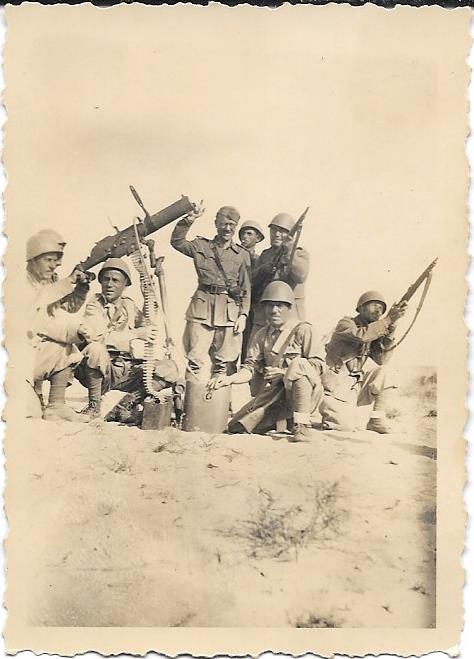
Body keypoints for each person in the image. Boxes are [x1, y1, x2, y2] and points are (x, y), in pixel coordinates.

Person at [209, 281, 324, 443]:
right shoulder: (261, 335)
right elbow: (250, 368)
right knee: (237, 426)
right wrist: (229, 379)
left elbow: (318, 366)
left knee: (298, 365)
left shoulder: (303, 330)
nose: (274, 310)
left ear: (289, 308)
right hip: (276, 394)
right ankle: (281, 420)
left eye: (279, 306)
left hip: (305, 393)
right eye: (270, 306)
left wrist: (285, 373)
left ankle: (302, 424)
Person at [76, 258, 179, 421]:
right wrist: (136, 334)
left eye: (115, 280)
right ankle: (94, 406)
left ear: (125, 285)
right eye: (106, 279)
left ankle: (126, 404)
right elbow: (98, 338)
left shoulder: (128, 305)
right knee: (95, 349)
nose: (109, 284)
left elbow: (146, 323)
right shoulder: (94, 304)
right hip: (100, 369)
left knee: (169, 368)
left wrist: (149, 299)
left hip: (123, 368)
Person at [170, 205, 251, 380]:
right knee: (194, 362)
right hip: (201, 310)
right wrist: (189, 220)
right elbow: (177, 242)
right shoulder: (201, 246)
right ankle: (191, 398)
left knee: (224, 365)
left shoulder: (242, 254)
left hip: (228, 313)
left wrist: (243, 315)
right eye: (223, 224)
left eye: (232, 225)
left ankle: (220, 398)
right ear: (216, 224)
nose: (227, 229)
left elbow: (246, 287)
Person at [321, 290, 408, 433]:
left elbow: (382, 360)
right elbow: (362, 336)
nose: (378, 310)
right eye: (374, 305)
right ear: (360, 308)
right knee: (342, 427)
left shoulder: (375, 330)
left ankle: (376, 419)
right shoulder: (346, 323)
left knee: (387, 372)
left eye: (381, 308)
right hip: (334, 386)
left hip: (354, 386)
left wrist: (391, 328)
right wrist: (387, 320)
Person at [26, 229, 90, 422]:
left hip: (33, 356)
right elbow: (38, 318)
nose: (53, 265)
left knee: (65, 349)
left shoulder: (48, 283)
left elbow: (62, 309)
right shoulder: (16, 282)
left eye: (56, 261)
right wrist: (67, 282)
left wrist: (79, 290)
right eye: (48, 260)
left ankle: (56, 405)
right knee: (27, 412)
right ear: (33, 259)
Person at [249, 212, 310, 345]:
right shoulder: (266, 255)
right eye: (274, 230)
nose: (276, 234)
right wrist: (263, 270)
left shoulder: (299, 253)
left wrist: (289, 251)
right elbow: (252, 281)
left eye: (282, 231)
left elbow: (300, 276)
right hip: (265, 316)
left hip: (290, 315)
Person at [238, 220, 265, 360]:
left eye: (249, 234)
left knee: (248, 345)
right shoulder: (233, 255)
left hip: (252, 309)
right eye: (243, 233)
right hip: (233, 305)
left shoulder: (260, 260)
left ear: (258, 238)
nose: (245, 237)